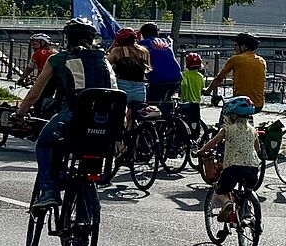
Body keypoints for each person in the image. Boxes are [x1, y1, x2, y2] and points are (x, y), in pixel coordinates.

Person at [17, 18, 117, 213]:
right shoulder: (103, 59)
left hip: (73, 117)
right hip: (106, 121)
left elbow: (34, 94)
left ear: (67, 38)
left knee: (44, 144)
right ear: (91, 39)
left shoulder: (58, 59)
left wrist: (20, 113)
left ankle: (49, 190)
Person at [197, 96, 260, 224]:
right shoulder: (253, 130)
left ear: (232, 115)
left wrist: (201, 151)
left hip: (233, 168)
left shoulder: (227, 129)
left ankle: (227, 203)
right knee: (247, 192)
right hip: (253, 169)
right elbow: (257, 148)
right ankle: (246, 211)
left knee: (221, 190)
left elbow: (213, 143)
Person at [205, 32, 266, 110]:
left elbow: (219, 78)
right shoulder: (262, 61)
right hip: (258, 105)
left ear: (244, 47)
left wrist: (208, 91)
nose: (234, 48)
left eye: (236, 45)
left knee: (226, 114)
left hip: (242, 104)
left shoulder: (235, 59)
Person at [107, 27, 151, 119]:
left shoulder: (118, 51)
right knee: (136, 117)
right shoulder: (143, 51)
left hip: (123, 88)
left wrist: (111, 47)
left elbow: (106, 66)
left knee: (118, 116)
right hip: (140, 89)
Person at [139, 22, 182, 105]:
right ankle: (168, 110)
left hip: (158, 78)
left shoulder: (143, 44)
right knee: (166, 97)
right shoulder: (166, 42)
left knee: (152, 102)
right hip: (176, 77)